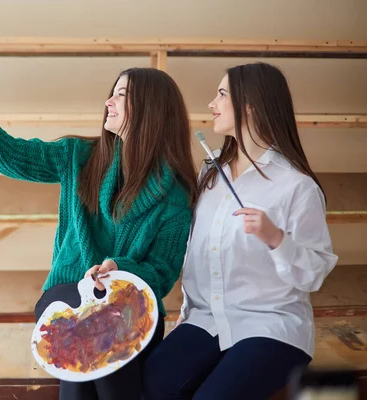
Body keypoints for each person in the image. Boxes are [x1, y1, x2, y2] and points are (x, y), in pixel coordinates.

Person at [0, 53, 198, 400]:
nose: (108, 102)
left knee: (101, 336)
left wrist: (120, 269)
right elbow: (11, 156)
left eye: (121, 95)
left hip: (132, 309)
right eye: (112, 93)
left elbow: (161, 274)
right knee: (91, 332)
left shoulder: (174, 196)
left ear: (151, 109)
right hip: (67, 294)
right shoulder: (77, 156)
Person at [142, 62, 338, 400]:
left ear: (251, 104)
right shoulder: (210, 173)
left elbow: (313, 275)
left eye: (221, 94)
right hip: (206, 322)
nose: (211, 104)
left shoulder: (297, 187)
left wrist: (276, 239)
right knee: (148, 388)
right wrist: (185, 315)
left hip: (272, 327)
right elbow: (195, 254)